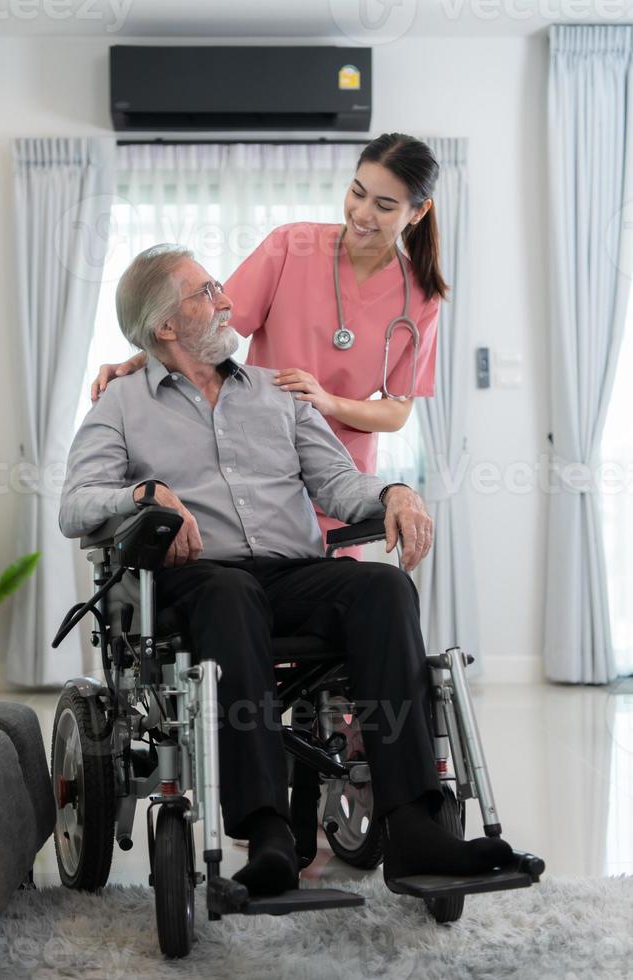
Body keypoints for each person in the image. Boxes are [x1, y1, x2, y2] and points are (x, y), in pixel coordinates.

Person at [61, 245, 512, 897]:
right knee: (229, 589)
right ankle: (267, 830)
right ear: (165, 326)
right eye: (206, 291)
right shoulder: (122, 404)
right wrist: (143, 495)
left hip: (291, 573)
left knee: (382, 586)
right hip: (193, 582)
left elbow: (334, 481)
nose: (225, 300)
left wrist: (390, 494)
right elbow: (76, 505)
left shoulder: (279, 393)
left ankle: (413, 828)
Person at [90, 133, 446, 552]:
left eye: (385, 206)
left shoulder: (422, 295)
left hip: (340, 471)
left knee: (333, 597)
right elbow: (211, 323)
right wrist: (137, 361)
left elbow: (397, 410)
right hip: (261, 456)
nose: (363, 213)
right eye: (357, 192)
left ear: (418, 212)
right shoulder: (291, 247)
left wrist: (326, 402)